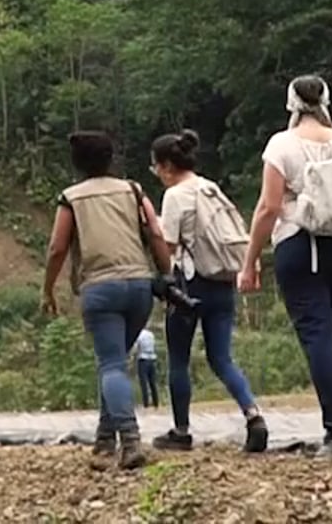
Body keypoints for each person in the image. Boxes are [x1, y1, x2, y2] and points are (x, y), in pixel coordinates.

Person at [239, 76, 332, 460]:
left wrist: (250, 261)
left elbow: (269, 207)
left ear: (291, 104)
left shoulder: (281, 145)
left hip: (302, 245)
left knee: (317, 335)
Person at [42, 131, 171, 471]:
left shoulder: (71, 198)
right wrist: (167, 274)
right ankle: (103, 441)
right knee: (114, 362)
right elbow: (155, 233)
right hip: (140, 286)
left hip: (100, 288)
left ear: (76, 163)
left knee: (111, 364)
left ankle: (129, 441)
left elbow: (57, 248)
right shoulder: (133, 190)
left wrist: (48, 289)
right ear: (110, 158)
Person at [150, 129, 269, 455]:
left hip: (190, 284)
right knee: (222, 357)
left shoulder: (175, 196)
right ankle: (253, 415)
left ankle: (181, 431)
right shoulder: (210, 188)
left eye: (156, 167)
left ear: (166, 166)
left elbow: (168, 245)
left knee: (179, 359)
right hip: (222, 281)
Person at [134, 328, 160, 409]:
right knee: (153, 382)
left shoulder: (139, 335)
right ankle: (156, 402)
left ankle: (146, 403)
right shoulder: (151, 334)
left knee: (144, 383)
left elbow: (136, 348)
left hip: (143, 359)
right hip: (152, 358)